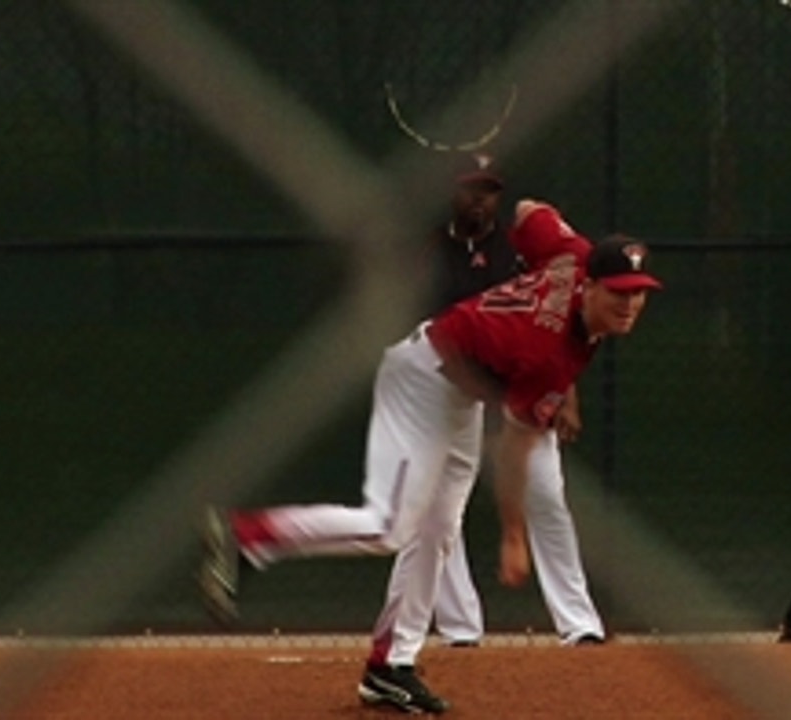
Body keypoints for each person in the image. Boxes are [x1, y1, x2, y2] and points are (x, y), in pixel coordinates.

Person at [198, 198, 660, 714]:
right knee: (389, 526)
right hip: (421, 378)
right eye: (618, 292)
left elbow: (530, 211)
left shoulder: (573, 255)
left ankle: (390, 665)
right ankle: (250, 536)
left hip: (462, 390)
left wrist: (548, 266)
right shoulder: (547, 353)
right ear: (592, 285)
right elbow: (515, 448)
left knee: (438, 530)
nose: (629, 304)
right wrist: (512, 536)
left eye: (639, 293)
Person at [399, 153, 607, 650]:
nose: (479, 197)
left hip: (520, 390)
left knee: (547, 497)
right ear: (451, 192)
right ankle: (460, 629)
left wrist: (567, 395)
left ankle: (579, 626)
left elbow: (559, 321)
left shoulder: (518, 251)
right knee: (440, 511)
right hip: (450, 390)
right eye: (470, 186)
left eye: (489, 188)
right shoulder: (427, 252)